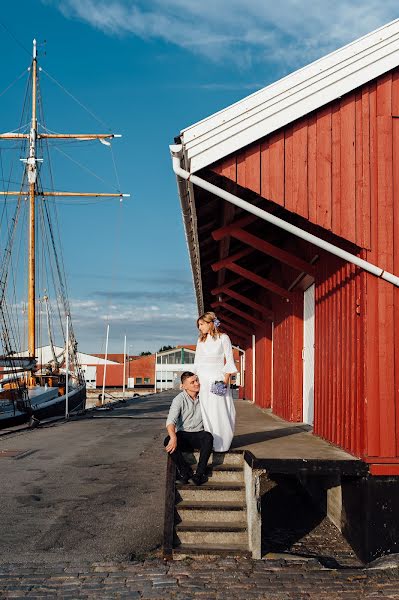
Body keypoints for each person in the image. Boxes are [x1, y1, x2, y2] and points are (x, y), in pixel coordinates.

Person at [193, 312, 238, 452]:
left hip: (217, 380)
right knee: (206, 411)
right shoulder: (200, 341)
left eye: (201, 324)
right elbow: (197, 362)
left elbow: (229, 360)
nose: (199, 328)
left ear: (210, 323)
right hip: (203, 381)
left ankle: (222, 443)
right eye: (198, 325)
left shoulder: (223, 338)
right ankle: (209, 442)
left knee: (220, 410)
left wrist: (224, 381)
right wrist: (195, 382)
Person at [164, 371, 213, 486]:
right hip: (184, 435)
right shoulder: (178, 399)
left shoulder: (204, 397)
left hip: (199, 434)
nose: (197, 384)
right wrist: (173, 437)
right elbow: (170, 421)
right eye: (192, 382)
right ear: (184, 386)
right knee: (167, 440)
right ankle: (185, 473)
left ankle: (200, 475)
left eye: (197, 380)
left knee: (208, 437)